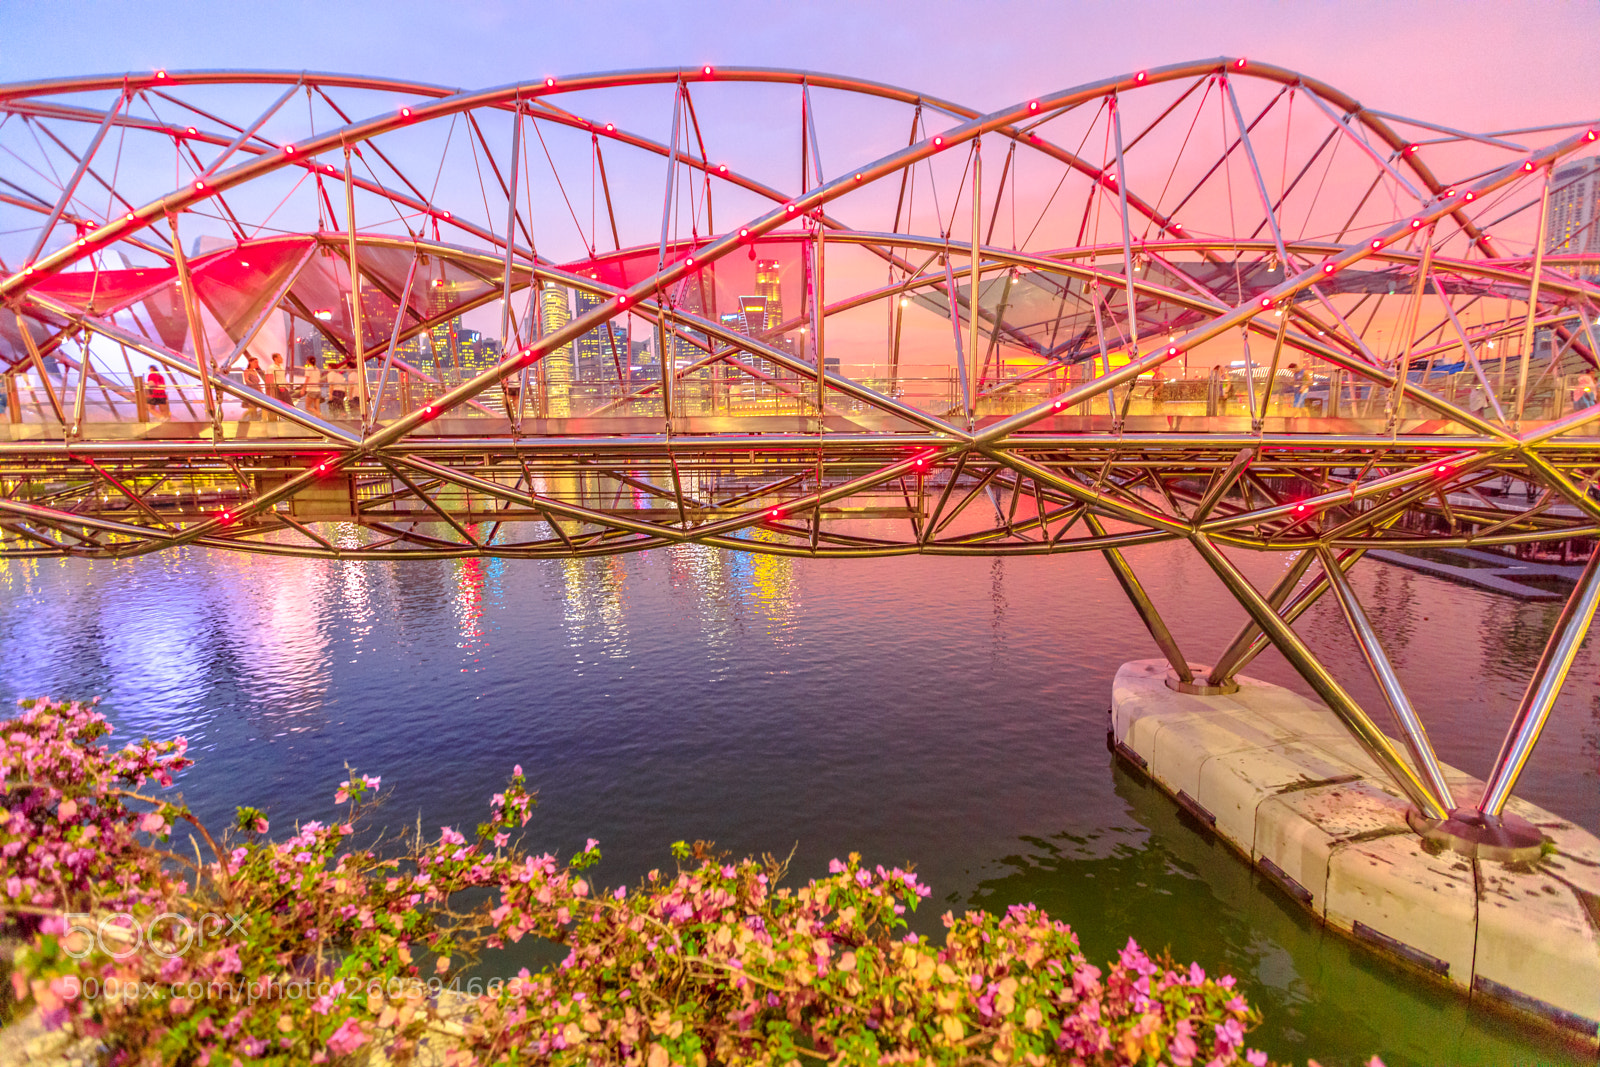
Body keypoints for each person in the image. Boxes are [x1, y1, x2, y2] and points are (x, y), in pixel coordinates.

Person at [241, 356, 266, 421]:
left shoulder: (255, 371)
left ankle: (261, 419)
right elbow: (246, 380)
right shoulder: (246, 371)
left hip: (257, 390)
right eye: (255, 362)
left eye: (257, 362)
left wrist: (259, 388)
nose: (257, 363)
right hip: (251, 390)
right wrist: (253, 385)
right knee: (252, 407)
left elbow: (257, 381)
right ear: (250, 362)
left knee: (262, 405)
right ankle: (251, 419)